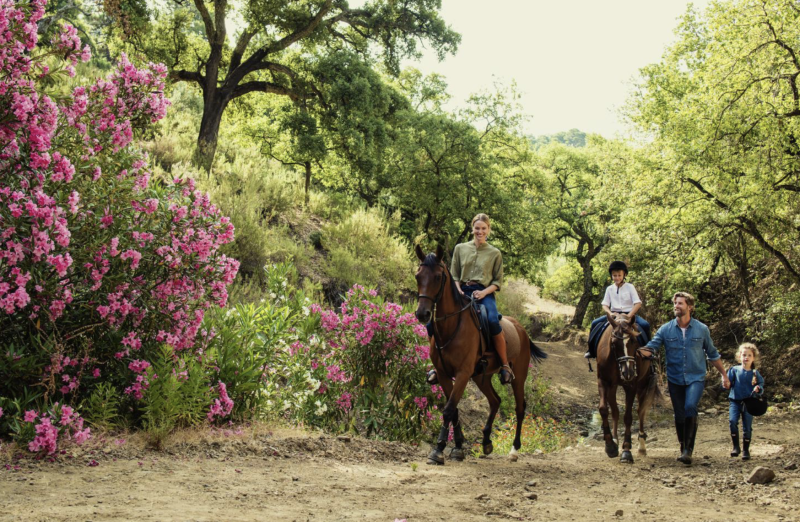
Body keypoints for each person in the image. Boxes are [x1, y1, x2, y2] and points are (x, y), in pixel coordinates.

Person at [642, 292, 731, 465]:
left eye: (680, 303)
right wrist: (636, 352)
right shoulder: (665, 329)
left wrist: (724, 374)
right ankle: (683, 446)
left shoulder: (701, 329)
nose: (676, 306)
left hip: (696, 378)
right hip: (675, 379)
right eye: (675, 303)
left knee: (690, 407)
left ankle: (688, 450)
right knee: (679, 414)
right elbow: (651, 347)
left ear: (689, 307)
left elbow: (712, 354)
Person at [426, 213, 512, 385]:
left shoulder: (495, 253)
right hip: (461, 290)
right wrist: (458, 290)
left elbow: (497, 281)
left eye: (483, 228)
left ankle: (504, 365)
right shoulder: (460, 248)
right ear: (472, 228)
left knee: (492, 320)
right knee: (431, 324)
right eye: (477, 228)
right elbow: (454, 275)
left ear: (488, 230)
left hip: (484, 292)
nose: (480, 231)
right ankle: (437, 365)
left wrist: (483, 293)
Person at [585, 261, 651, 359]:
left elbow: (638, 303)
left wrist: (629, 315)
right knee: (595, 323)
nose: (617, 278)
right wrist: (610, 313)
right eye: (614, 275)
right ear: (611, 276)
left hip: (628, 314)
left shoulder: (630, 287)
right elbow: (605, 304)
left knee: (645, 325)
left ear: (624, 274)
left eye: (619, 275)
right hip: (614, 315)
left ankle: (648, 351)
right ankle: (591, 350)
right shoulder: (609, 289)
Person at [727, 343, 765, 460]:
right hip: (735, 400)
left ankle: (745, 450)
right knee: (732, 421)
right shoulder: (734, 370)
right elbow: (727, 384)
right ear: (739, 356)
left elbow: (761, 384)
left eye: (749, 355)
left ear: (753, 358)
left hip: (750, 402)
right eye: (744, 355)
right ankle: (736, 447)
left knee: (747, 426)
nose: (746, 357)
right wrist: (725, 383)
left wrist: (758, 389)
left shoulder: (755, 373)